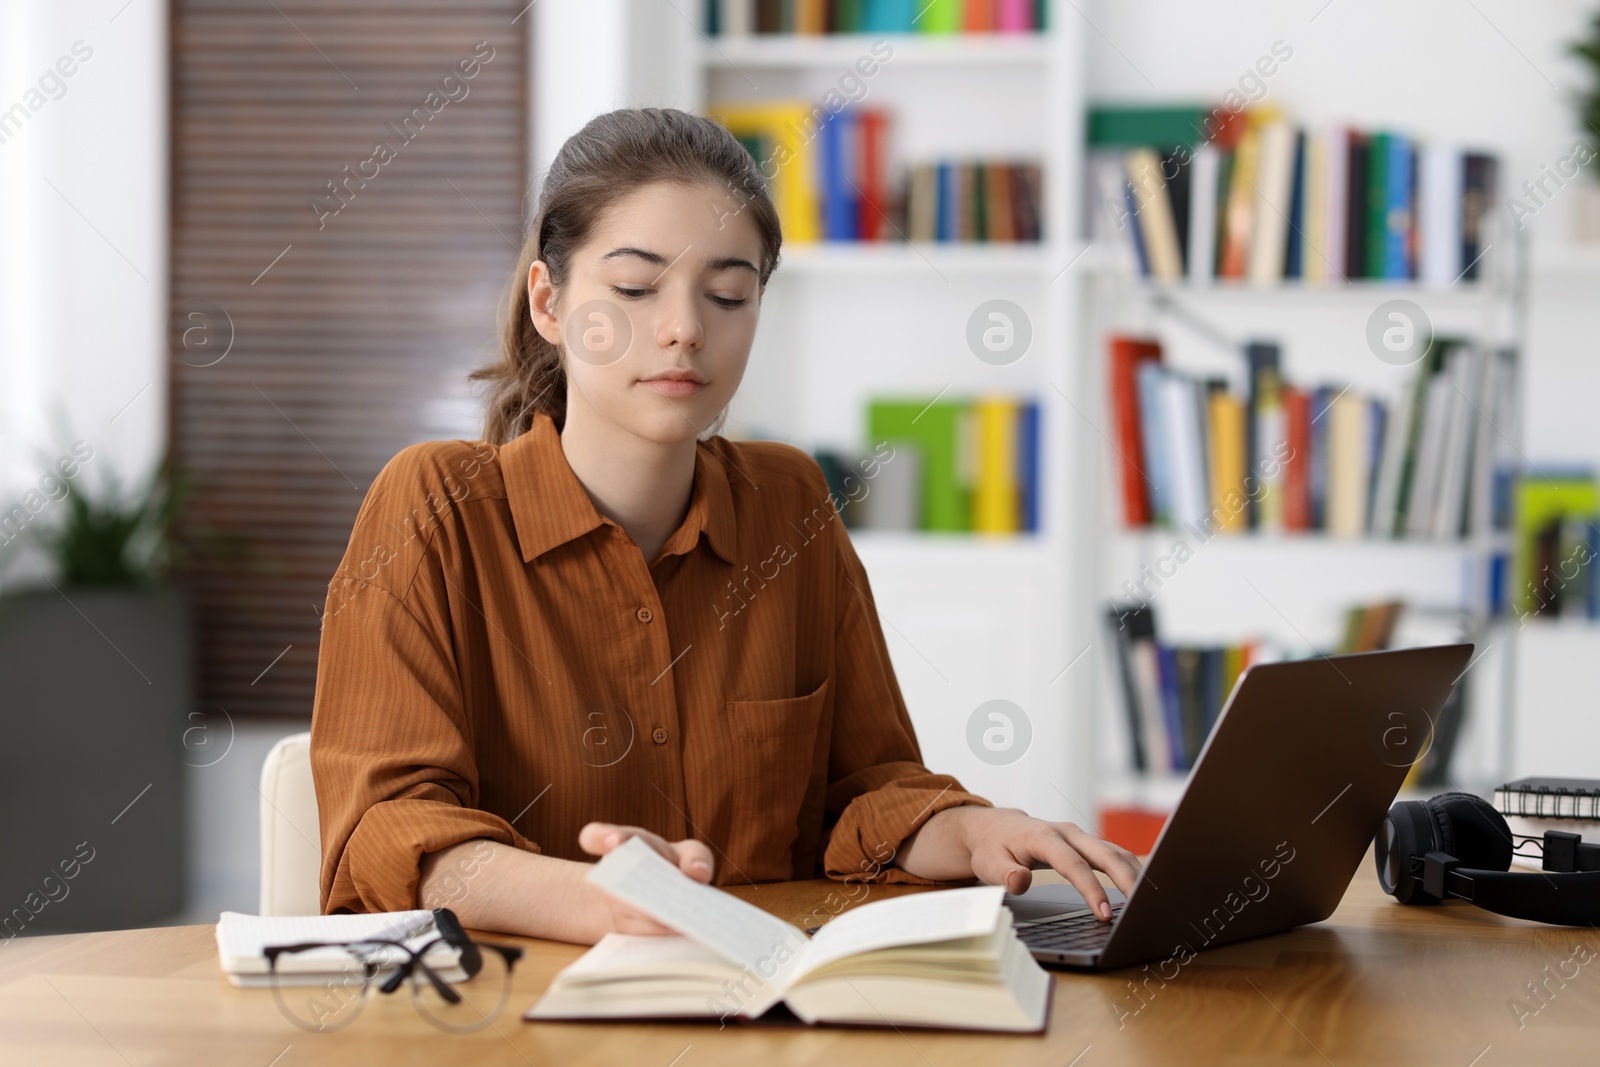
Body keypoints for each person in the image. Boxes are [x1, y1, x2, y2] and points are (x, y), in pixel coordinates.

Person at [310, 107, 1140, 944]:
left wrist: (972, 829)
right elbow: (388, 831)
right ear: (549, 302)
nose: (686, 329)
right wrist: (603, 899)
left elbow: (865, 790)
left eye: (728, 293)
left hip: (765, 1017)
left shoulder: (790, 503)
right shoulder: (435, 507)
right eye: (635, 289)